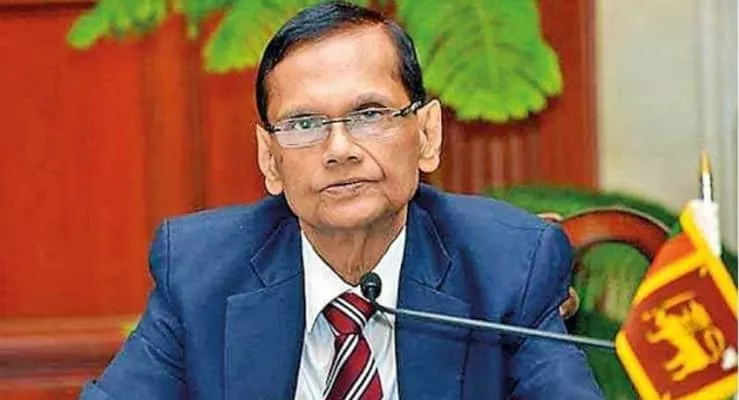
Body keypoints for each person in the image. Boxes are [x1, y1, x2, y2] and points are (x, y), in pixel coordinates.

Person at [80, 2, 603, 399]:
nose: (339, 149)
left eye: (369, 114)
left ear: (427, 134)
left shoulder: (508, 267)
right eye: (304, 124)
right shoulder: (200, 273)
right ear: (269, 159)